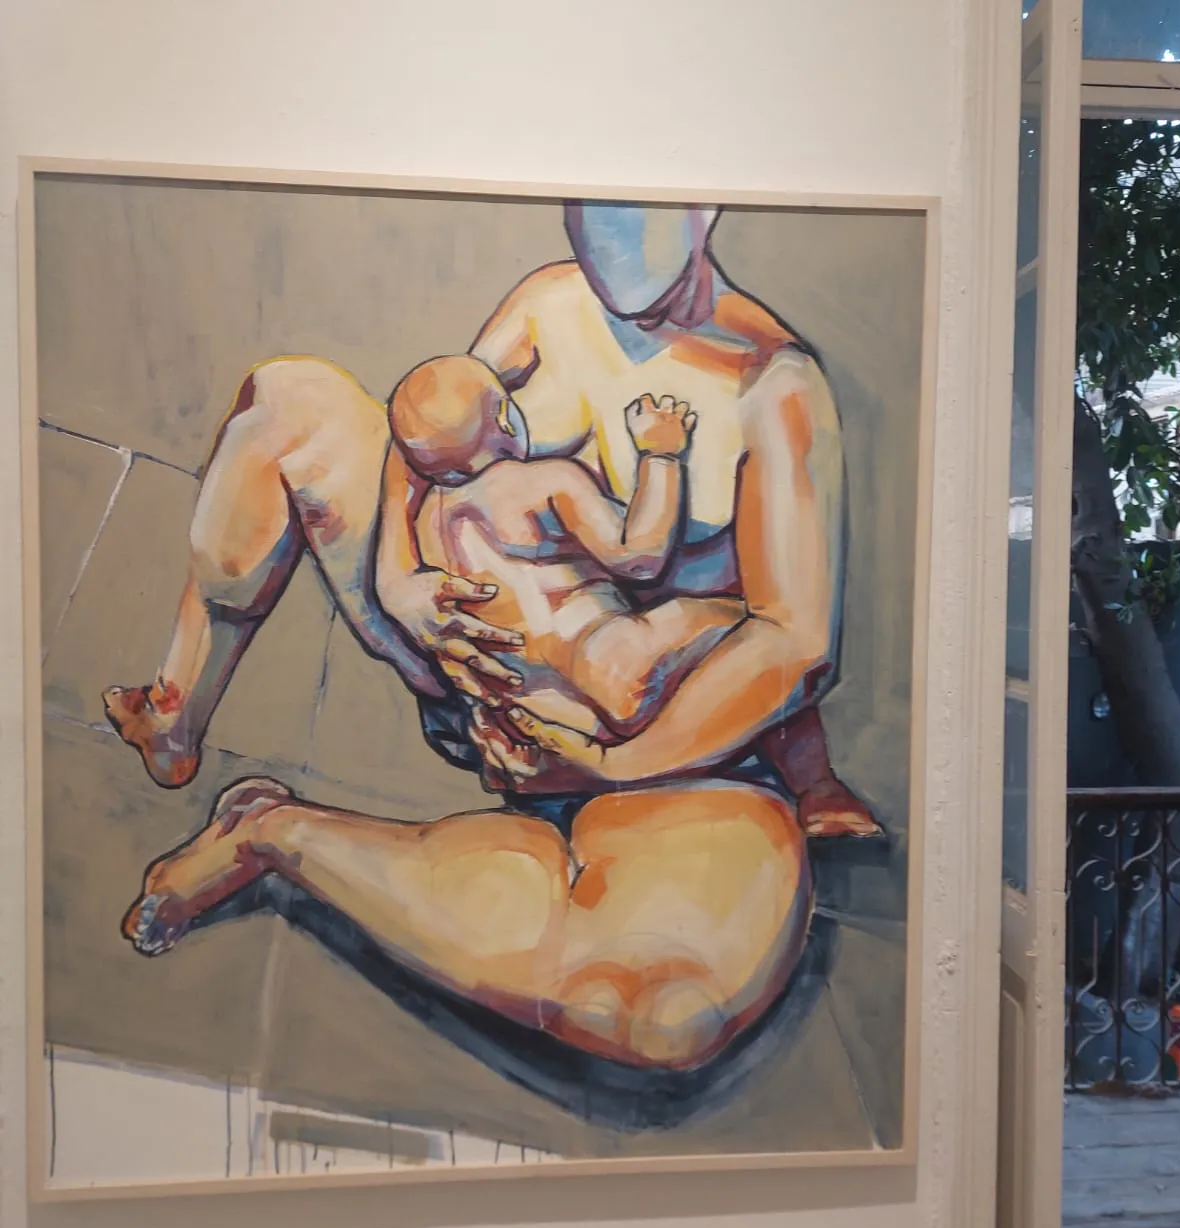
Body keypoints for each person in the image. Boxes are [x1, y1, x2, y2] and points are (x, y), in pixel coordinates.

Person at [111, 201, 874, 1073]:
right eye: (592, 208)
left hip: (658, 751)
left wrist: (607, 763)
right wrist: (400, 579)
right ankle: (176, 716)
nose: (611, 238)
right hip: (477, 676)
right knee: (287, 402)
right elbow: (421, 442)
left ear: (706, 207)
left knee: (659, 1011)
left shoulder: (774, 384)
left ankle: (276, 835)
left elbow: (791, 645)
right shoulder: (548, 303)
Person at [383, 352, 878, 829]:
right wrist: (660, 455)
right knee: (755, 635)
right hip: (613, 660)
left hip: (544, 706)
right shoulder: (546, 481)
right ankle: (816, 785)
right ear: (506, 420)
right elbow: (641, 556)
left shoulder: (428, 525)